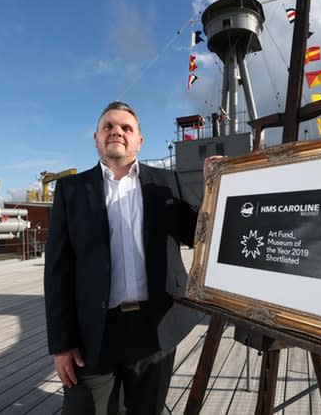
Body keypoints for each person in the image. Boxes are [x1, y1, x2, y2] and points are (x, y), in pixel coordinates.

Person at [44, 101, 203, 414]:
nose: (117, 131)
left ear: (139, 141)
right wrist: (61, 343)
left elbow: (198, 233)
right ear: (96, 138)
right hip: (93, 331)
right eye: (108, 126)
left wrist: (216, 184)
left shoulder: (167, 183)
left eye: (126, 128)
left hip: (155, 326)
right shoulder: (70, 190)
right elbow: (57, 271)